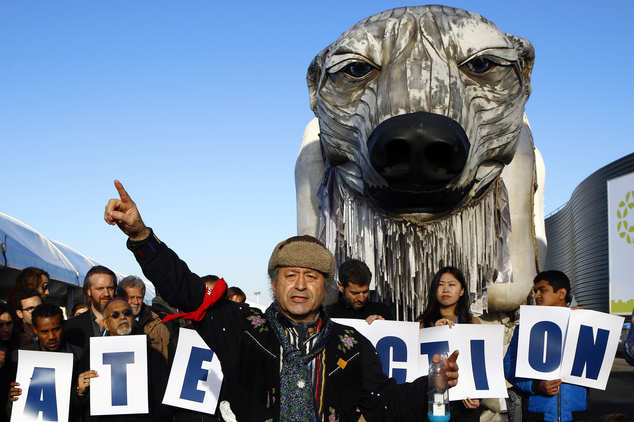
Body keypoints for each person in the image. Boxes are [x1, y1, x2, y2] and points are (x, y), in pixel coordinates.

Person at [104, 180, 459, 422]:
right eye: (290, 275)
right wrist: (140, 235)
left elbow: (385, 403)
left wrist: (432, 386)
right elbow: (185, 289)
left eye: (312, 276)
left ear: (327, 288)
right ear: (274, 284)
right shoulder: (243, 327)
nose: (300, 285)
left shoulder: (351, 346)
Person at [504, 270, 589, 421]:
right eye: (535, 291)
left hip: (577, 414)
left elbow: (599, 363)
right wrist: (536, 386)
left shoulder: (586, 322)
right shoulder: (525, 326)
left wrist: (586, 323)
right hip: (537, 414)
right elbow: (509, 365)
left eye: (542, 290)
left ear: (561, 293)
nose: (536, 296)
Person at [78, 298, 172, 422]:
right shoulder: (91, 355)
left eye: (127, 313)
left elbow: (164, 401)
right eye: (115, 314)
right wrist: (80, 392)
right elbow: (80, 406)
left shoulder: (153, 356)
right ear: (105, 323)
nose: (122, 317)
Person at [418, 266, 481, 421]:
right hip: (432, 404)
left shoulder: (473, 322)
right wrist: (434, 332)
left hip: (464, 405)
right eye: (440, 284)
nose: (445, 289)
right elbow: (415, 365)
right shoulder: (422, 323)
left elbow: (479, 363)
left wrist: (479, 396)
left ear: (462, 291)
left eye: (452, 285)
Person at [8, 303, 87, 422]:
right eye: (44, 331)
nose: (51, 336)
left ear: (63, 325)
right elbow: (10, 413)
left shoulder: (80, 357)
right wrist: (12, 399)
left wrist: (80, 393)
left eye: (56, 329)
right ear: (35, 329)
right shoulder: (18, 358)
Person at [117, 275, 171, 361]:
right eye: (131, 297)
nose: (136, 302)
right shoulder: (111, 323)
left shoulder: (158, 325)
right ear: (120, 297)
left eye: (139, 297)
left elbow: (167, 359)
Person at [64, 265, 117, 349]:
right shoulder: (71, 326)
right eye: (100, 288)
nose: (106, 294)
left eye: (110, 288)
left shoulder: (130, 326)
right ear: (89, 291)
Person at [326, 258, 394, 323]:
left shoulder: (382, 311)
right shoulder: (327, 314)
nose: (361, 299)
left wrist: (384, 326)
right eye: (355, 293)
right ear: (341, 287)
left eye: (365, 292)